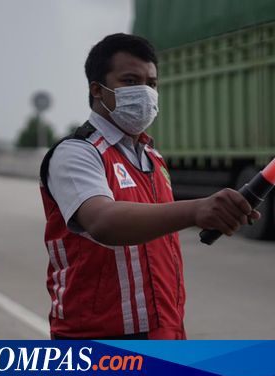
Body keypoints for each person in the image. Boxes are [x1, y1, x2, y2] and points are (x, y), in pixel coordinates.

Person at [39, 33, 261, 340]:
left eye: (151, 84)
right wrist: (195, 210)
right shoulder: (76, 153)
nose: (144, 92)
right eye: (130, 81)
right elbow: (103, 222)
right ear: (97, 90)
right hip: (99, 337)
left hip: (164, 328)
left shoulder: (153, 158)